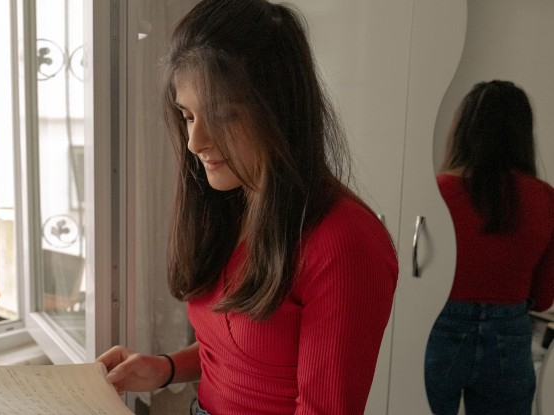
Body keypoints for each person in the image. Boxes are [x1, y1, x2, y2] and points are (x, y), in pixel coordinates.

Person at [96, 1, 398, 413]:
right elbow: (241, 352)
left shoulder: (343, 242)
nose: (195, 142)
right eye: (188, 116)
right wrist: (164, 368)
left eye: (222, 116)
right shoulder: (232, 202)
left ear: (278, 110)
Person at [425, 80, 554, 415]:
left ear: (463, 130)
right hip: (509, 336)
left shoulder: (438, 192)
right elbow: (544, 298)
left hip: (438, 329)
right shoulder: (545, 199)